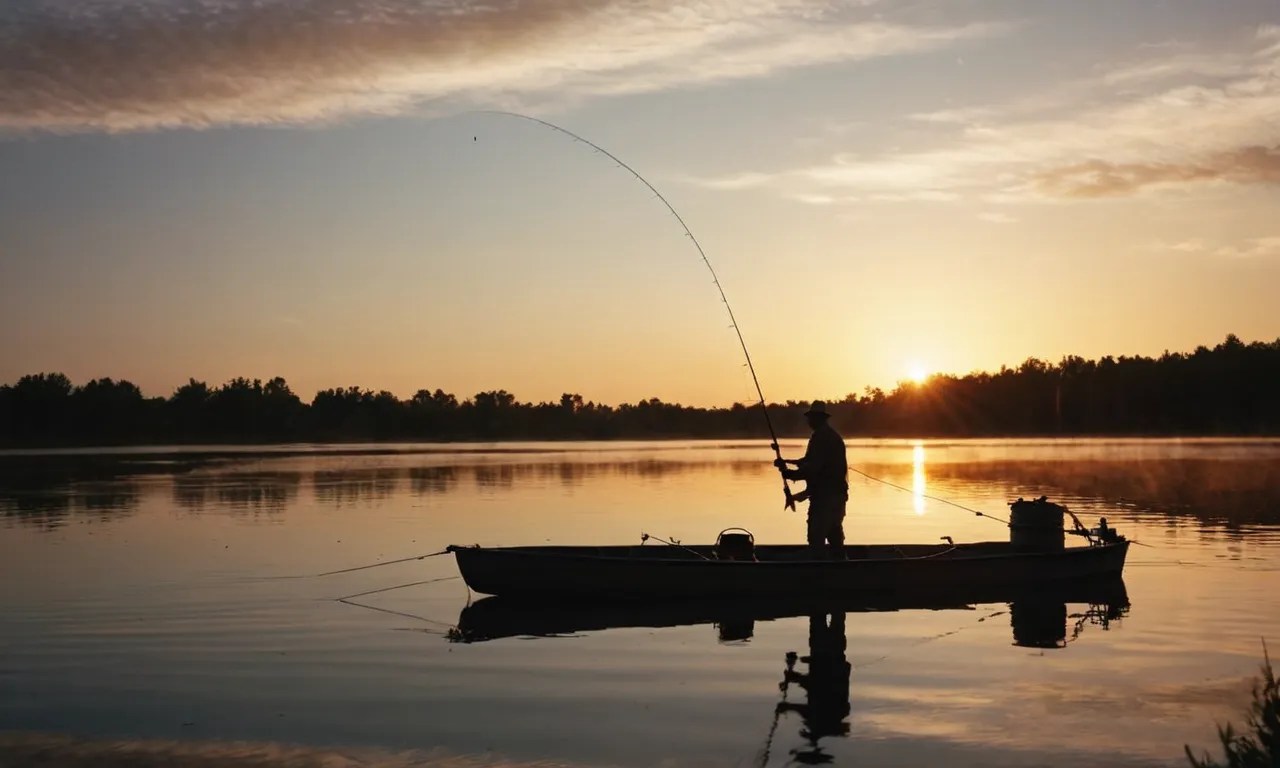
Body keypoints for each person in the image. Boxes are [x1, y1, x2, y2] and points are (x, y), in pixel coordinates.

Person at [774, 401, 849, 559]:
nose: (809, 421)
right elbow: (808, 461)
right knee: (835, 536)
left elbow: (813, 468)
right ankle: (841, 567)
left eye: (811, 418)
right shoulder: (824, 435)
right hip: (835, 496)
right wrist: (786, 462)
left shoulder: (823, 437)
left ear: (819, 418)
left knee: (817, 537)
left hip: (826, 499)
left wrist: (790, 475)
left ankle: (820, 572)